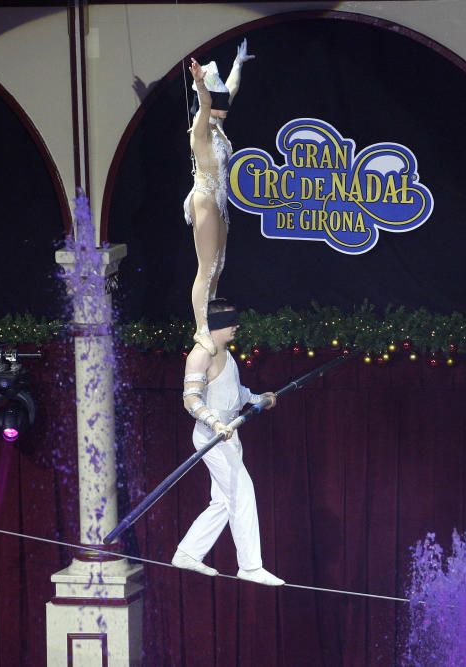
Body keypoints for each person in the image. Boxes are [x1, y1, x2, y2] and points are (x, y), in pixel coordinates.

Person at [172, 297, 285, 586]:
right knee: (242, 492)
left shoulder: (225, 352)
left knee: (224, 500)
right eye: (229, 321)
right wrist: (215, 423)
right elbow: (191, 399)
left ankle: (187, 552)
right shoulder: (201, 355)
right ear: (214, 325)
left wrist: (259, 399)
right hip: (212, 436)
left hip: (229, 434)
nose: (236, 326)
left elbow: (235, 391)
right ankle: (250, 565)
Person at [184, 40, 254, 356]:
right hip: (204, 198)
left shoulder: (219, 125)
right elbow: (206, 101)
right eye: (219, 103)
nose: (226, 106)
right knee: (207, 267)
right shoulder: (201, 130)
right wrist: (200, 83)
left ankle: (209, 319)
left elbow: (231, 90)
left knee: (219, 265)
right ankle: (201, 328)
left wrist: (237, 64)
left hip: (219, 201)